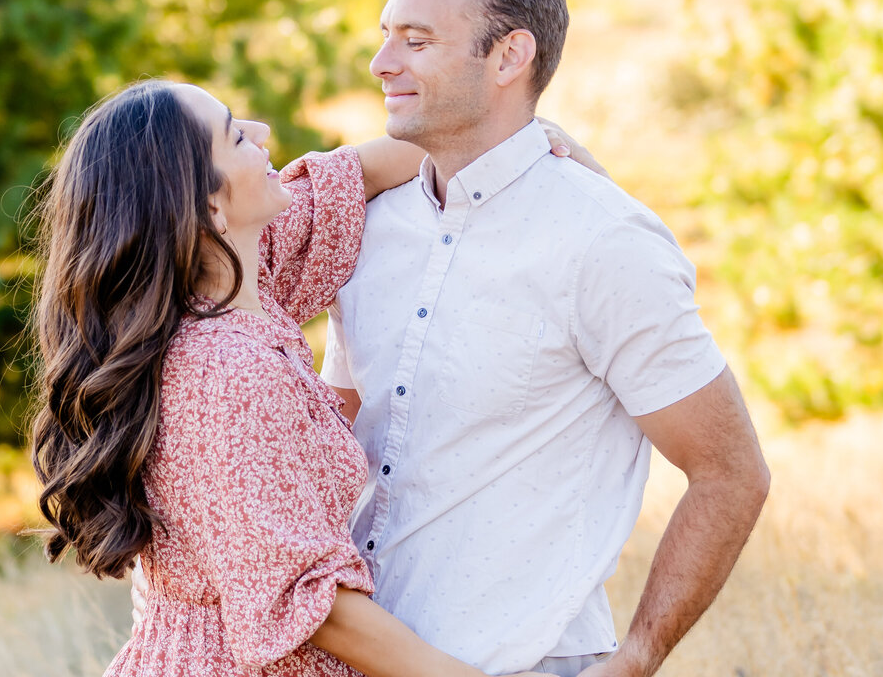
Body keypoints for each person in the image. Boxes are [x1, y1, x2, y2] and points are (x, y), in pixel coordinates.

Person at [321, 0, 771, 677]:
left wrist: (636, 659)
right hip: (356, 660)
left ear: (509, 56)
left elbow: (732, 472)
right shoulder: (366, 228)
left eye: (417, 40)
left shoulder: (604, 240)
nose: (381, 62)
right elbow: (331, 437)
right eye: (385, 36)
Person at [28, 79, 573, 677]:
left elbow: (352, 177)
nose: (263, 135)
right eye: (236, 134)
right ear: (210, 207)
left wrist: (511, 145)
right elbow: (319, 609)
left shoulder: (216, 288)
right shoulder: (228, 371)